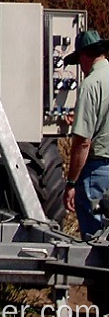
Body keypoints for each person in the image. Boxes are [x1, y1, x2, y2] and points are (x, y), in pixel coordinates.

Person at [63, 29, 109, 238]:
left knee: (95, 240)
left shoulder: (90, 85)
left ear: (84, 56)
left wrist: (71, 182)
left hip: (98, 170)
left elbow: (83, 142)